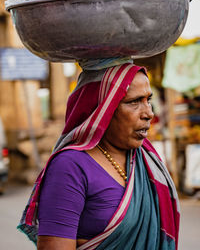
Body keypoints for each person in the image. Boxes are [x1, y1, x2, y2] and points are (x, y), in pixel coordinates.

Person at [18, 60, 180, 250]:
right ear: (103, 109)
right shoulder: (70, 166)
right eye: (134, 102)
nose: (149, 113)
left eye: (148, 100)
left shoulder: (147, 161)